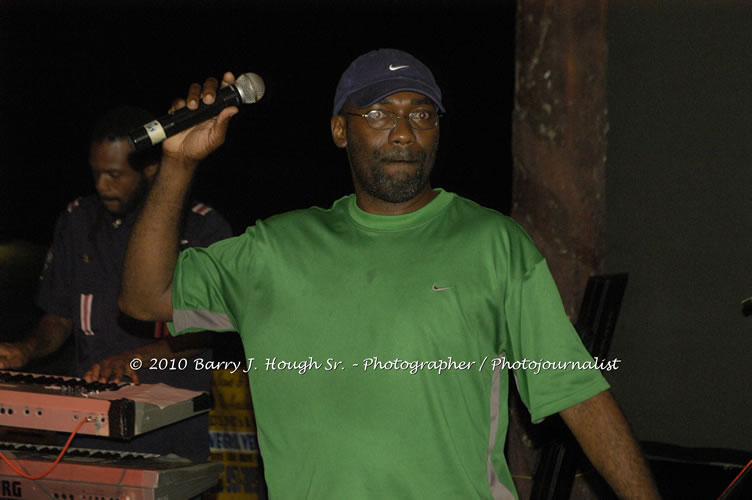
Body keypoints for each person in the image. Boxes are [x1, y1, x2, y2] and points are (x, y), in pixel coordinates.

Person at [118, 49, 661, 498]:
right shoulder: (275, 249)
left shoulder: (493, 244)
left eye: (421, 114)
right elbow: (145, 298)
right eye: (378, 113)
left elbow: (578, 395)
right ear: (339, 129)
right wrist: (178, 166)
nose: (404, 133)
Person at [0, 106, 232, 461]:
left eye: (114, 175)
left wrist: (135, 359)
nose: (101, 185)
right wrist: (26, 350)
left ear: (151, 170)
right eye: (95, 173)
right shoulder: (78, 220)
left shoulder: (203, 228)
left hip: (171, 430)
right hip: (88, 425)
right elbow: (58, 318)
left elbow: (205, 330)